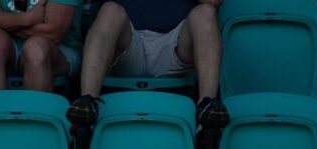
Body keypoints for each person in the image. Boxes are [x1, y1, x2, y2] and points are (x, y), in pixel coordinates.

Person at [65, 0, 228, 128]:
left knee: (205, 13)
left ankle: (207, 107)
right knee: (109, 10)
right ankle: (87, 104)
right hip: (128, 41)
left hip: (174, 43)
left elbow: (212, 1)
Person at [0, 0, 81, 92]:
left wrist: (1, 19)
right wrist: (27, 18)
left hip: (58, 51)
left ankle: (36, 115)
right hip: (9, 47)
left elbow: (53, 33)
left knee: (35, 50)